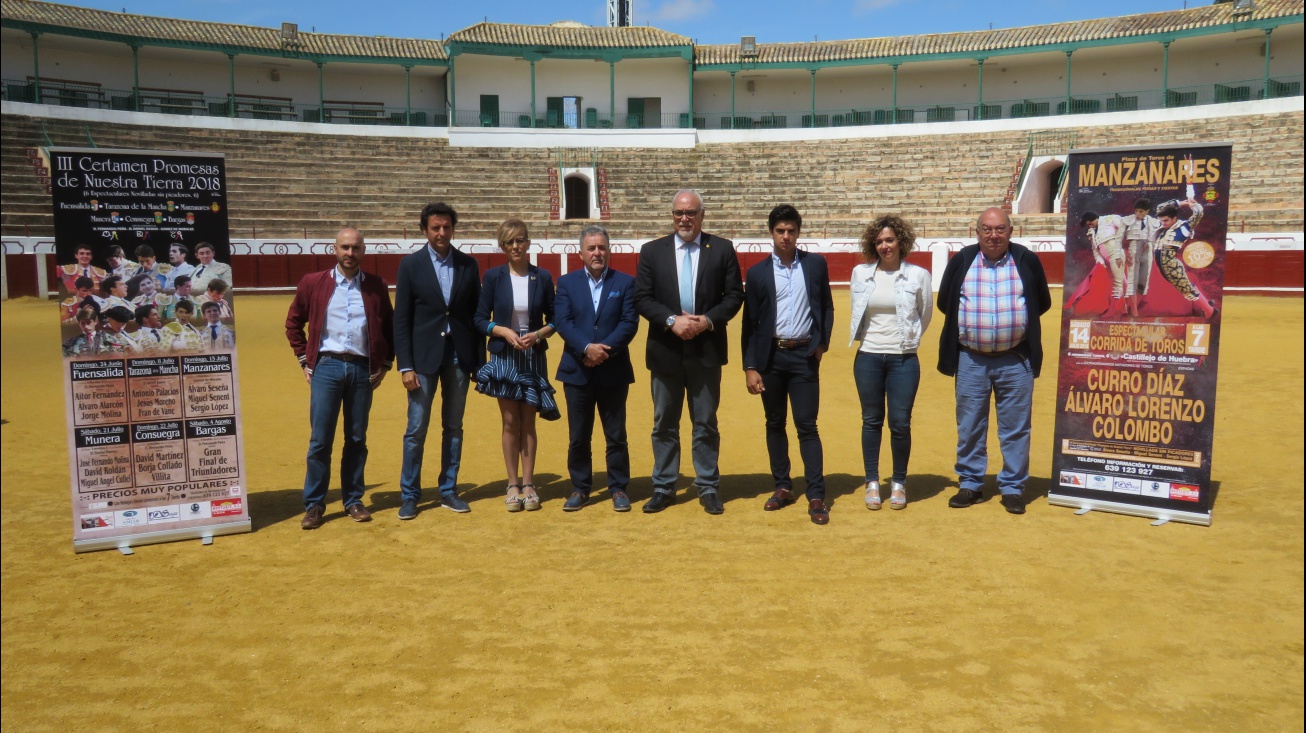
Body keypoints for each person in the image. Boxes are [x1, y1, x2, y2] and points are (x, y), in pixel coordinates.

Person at [634, 189, 745, 515]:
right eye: (679, 213)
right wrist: (672, 321)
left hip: (706, 349)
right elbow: (642, 297)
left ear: (701, 215)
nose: (685, 218)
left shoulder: (721, 248)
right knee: (664, 423)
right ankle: (664, 486)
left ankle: (708, 485)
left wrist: (707, 321)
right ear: (673, 216)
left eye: (691, 213)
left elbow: (734, 296)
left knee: (705, 422)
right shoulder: (652, 251)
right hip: (665, 349)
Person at [936, 207, 1051, 515]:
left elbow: (1042, 301)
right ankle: (971, 483)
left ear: (1011, 231)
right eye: (987, 229)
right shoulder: (962, 261)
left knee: (1015, 427)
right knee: (970, 424)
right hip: (971, 359)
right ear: (977, 233)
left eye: (1000, 229)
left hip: (1015, 359)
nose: (994, 235)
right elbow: (945, 301)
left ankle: (1013, 487)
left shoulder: (1026, 260)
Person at [285, 227, 396, 530]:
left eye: (356, 248)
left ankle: (353, 500)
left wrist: (384, 364)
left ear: (363, 251)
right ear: (334, 249)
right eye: (345, 247)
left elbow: (389, 327)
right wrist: (303, 359)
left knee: (357, 439)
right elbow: (293, 323)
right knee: (320, 439)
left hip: (362, 369)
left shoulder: (375, 286)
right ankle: (315, 504)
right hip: (327, 367)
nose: (350, 253)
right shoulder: (313, 283)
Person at [740, 205, 835, 525]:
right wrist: (750, 366)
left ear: (798, 232)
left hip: (804, 355)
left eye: (791, 230)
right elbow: (750, 323)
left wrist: (821, 344)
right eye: (780, 230)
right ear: (771, 233)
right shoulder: (756, 273)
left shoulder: (815, 265)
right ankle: (782, 486)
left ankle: (816, 493)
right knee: (774, 422)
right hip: (771, 356)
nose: (786, 236)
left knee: (807, 425)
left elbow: (826, 307)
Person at [393, 202, 483, 520]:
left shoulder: (468, 266)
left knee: (454, 426)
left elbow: (477, 317)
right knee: (416, 428)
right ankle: (410, 495)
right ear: (424, 230)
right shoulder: (410, 266)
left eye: (446, 227)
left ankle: (448, 490)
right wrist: (405, 365)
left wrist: (478, 362)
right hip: (422, 358)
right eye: (435, 227)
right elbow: (401, 319)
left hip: (459, 355)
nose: (441, 232)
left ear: (453, 229)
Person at [473, 219, 560, 512]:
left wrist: (538, 335)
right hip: (504, 354)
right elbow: (480, 318)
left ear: (529, 242)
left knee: (529, 422)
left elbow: (557, 318)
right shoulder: (494, 277)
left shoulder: (542, 277)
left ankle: (529, 483)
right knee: (510, 422)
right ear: (502, 246)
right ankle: (512, 483)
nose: (515, 246)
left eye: (520, 240)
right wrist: (503, 330)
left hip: (533, 353)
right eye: (509, 242)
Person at [849, 215, 933, 511]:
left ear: (901, 241)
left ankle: (898, 482)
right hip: (868, 355)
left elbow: (925, 315)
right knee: (871, 421)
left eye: (890, 240)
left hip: (904, 358)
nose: (884, 246)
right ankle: (872, 481)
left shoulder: (918, 275)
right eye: (879, 241)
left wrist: (906, 340)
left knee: (900, 423)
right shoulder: (860, 273)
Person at [553, 225, 639, 512]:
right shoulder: (566, 283)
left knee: (616, 434)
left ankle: (618, 487)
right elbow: (563, 322)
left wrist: (604, 351)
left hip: (612, 369)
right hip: (578, 369)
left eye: (602, 247)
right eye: (591, 248)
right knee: (579, 435)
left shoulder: (625, 282)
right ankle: (580, 488)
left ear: (609, 250)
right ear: (581, 253)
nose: (597, 252)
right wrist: (587, 348)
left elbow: (629, 323)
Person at [1155, 199, 1218, 319]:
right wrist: (1183, 203)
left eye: (1166, 220)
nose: (1163, 223)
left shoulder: (1185, 227)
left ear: (1174, 219)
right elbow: (1160, 206)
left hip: (1171, 266)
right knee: (1187, 287)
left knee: (1187, 289)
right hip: (1164, 265)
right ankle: (1205, 304)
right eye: (1161, 221)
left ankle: (1210, 311)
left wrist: (1193, 205)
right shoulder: (1165, 224)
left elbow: (1199, 213)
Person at [1079, 211, 1128, 317]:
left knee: (1117, 282)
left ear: (1094, 219)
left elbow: (1124, 228)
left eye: (1089, 223)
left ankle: (1114, 309)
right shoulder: (1092, 231)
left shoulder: (1110, 219)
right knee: (1123, 281)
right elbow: (1095, 250)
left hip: (1116, 255)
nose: (1089, 226)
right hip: (1107, 259)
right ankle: (1129, 307)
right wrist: (1101, 263)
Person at [1121, 198, 1161, 317]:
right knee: (1133, 278)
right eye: (1136, 211)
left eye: (1141, 211)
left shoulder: (1155, 221)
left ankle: (1131, 306)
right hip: (1133, 248)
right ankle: (1134, 310)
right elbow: (1119, 238)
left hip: (1148, 249)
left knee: (1143, 281)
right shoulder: (1127, 220)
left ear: (1147, 211)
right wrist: (1124, 253)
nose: (1138, 214)